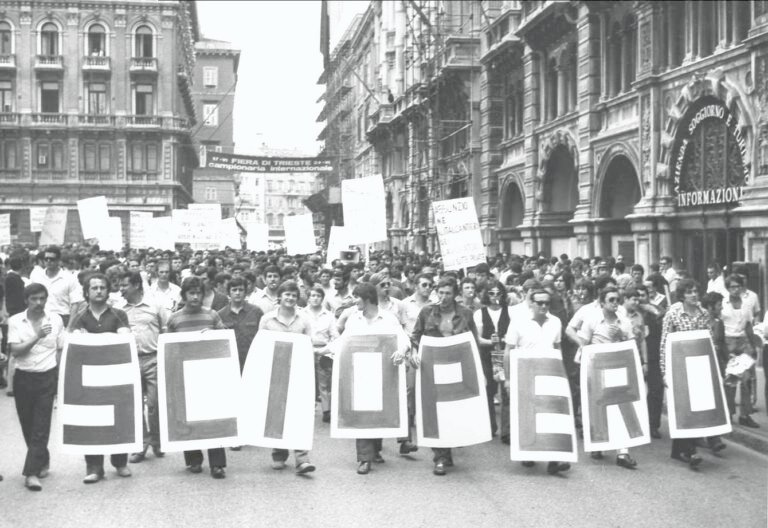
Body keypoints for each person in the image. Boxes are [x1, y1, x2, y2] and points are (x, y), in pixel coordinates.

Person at [337, 283, 410, 475]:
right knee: (362, 413)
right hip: (359, 370)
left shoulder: (388, 318)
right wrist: (324, 350)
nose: (354, 301)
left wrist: (401, 351)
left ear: (368, 298)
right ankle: (364, 458)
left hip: (383, 369)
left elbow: (403, 339)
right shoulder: (354, 319)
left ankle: (375, 448)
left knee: (379, 411)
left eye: (357, 298)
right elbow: (343, 341)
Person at [69, 273, 133, 484]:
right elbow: (74, 344)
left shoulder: (119, 314)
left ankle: (120, 462)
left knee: (119, 418)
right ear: (86, 292)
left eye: (102, 287)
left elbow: (124, 340)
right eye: (94, 288)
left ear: (108, 291)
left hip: (116, 375)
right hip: (90, 377)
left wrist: (92, 338)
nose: (98, 291)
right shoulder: (80, 317)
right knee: (92, 421)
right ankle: (94, 467)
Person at [411, 277, 479, 476]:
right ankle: (439, 456)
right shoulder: (427, 312)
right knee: (436, 410)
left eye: (448, 293)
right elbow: (416, 336)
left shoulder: (465, 313)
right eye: (440, 293)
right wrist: (415, 352)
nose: (444, 297)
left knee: (453, 410)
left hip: (457, 366)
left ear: (455, 294)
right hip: (432, 366)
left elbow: (472, 340)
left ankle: (447, 449)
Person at [504, 288, 571, 475]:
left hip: (549, 373)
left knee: (551, 416)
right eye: (539, 302)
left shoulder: (556, 322)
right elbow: (508, 350)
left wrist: (561, 373)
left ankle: (554, 460)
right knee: (528, 414)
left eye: (547, 303)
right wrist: (507, 378)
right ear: (531, 304)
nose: (543, 306)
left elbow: (558, 348)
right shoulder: (518, 322)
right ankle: (528, 452)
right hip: (525, 373)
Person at [167, 276, 228, 479]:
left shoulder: (212, 316)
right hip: (184, 375)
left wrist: (212, 337)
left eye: (199, 293)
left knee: (213, 419)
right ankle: (193, 460)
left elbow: (226, 340)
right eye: (191, 293)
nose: (195, 297)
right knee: (188, 417)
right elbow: (169, 349)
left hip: (209, 374)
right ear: (184, 296)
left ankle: (217, 464)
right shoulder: (174, 319)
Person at [8, 284, 65, 491]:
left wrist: (60, 378)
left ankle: (30, 473)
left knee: (41, 426)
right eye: (34, 299)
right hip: (24, 378)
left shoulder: (55, 319)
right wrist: (37, 336)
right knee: (28, 426)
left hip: (47, 378)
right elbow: (16, 352)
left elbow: (60, 349)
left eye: (42, 298)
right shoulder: (15, 321)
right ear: (26, 300)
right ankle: (42, 457)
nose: (39, 303)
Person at [575, 286, 637, 469]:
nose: (615, 303)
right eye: (611, 300)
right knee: (598, 407)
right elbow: (582, 344)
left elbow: (632, 344)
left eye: (617, 300)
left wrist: (622, 336)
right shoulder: (592, 320)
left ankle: (623, 452)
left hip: (618, 367)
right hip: (596, 368)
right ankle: (598, 445)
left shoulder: (624, 322)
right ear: (602, 302)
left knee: (621, 407)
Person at [258, 280, 316, 475]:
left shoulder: (305, 319)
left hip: (299, 370)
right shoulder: (267, 320)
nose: (290, 298)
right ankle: (279, 452)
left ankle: (302, 458)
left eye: (293, 295)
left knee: (299, 412)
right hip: (274, 371)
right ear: (279, 297)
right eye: (287, 294)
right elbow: (261, 346)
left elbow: (309, 345)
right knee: (276, 412)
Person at [659, 278, 714, 467]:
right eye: (689, 292)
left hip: (699, 366)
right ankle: (689, 452)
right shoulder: (672, 314)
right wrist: (664, 371)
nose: (694, 295)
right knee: (683, 406)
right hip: (679, 365)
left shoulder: (704, 314)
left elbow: (709, 342)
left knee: (695, 406)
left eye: (696, 291)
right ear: (682, 295)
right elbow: (664, 343)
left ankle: (678, 450)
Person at [118, 271, 168, 464]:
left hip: (153, 359)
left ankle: (157, 440)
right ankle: (141, 445)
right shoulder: (119, 309)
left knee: (154, 405)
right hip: (130, 360)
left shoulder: (156, 306)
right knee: (135, 405)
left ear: (137, 286)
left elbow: (165, 330)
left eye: (124, 285)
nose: (121, 289)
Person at [720, 274, 760, 428]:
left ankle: (745, 414)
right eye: (732, 287)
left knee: (746, 379)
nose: (736, 290)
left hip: (743, 342)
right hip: (728, 341)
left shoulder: (747, 304)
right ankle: (728, 413)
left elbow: (748, 325)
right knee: (730, 380)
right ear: (728, 288)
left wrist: (753, 345)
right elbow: (718, 325)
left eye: (738, 286)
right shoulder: (723, 304)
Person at [473, 280, 509, 438]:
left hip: (506, 355)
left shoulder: (510, 312)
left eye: (498, 293)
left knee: (506, 391)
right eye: (491, 293)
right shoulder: (480, 313)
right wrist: (492, 341)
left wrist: (505, 340)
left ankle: (507, 430)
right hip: (487, 356)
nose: (495, 296)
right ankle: (490, 426)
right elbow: (478, 338)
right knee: (489, 390)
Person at [301, 286, 338, 423]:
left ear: (322, 298)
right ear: (308, 297)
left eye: (318, 296)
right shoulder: (301, 313)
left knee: (324, 382)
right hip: (305, 349)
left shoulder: (329, 315)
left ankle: (326, 410)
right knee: (306, 380)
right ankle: (306, 408)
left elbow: (334, 335)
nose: (315, 298)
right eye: (312, 295)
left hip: (323, 350)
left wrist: (328, 350)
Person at [30, 245, 83, 327]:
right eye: (46, 259)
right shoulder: (37, 277)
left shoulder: (69, 278)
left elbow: (75, 305)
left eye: (52, 259)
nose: (48, 261)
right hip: (41, 318)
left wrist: (69, 327)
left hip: (62, 318)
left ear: (58, 260)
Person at [218, 277, 263, 373]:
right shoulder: (220, 315)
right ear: (228, 293)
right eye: (234, 290)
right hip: (230, 362)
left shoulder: (256, 312)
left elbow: (263, 335)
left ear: (246, 292)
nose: (237, 293)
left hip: (252, 360)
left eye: (241, 290)